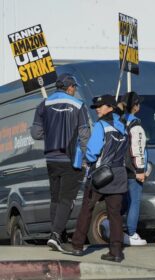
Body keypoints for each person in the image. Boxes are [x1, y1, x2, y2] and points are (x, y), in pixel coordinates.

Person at [61, 94, 128, 262]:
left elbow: (92, 153)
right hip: (119, 175)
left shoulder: (101, 126)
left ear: (110, 107)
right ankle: (116, 251)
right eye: (96, 106)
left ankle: (77, 246)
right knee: (115, 215)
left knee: (87, 210)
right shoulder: (123, 127)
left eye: (101, 106)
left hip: (100, 175)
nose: (98, 108)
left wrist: (86, 160)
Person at [30, 73, 90, 251]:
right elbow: (85, 136)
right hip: (71, 159)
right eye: (75, 87)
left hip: (51, 158)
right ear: (69, 87)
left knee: (55, 198)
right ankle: (56, 235)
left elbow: (36, 134)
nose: (75, 90)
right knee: (67, 199)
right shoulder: (79, 105)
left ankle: (57, 234)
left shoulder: (43, 104)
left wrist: (51, 132)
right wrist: (89, 159)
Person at [121, 91, 147, 246]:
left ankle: (111, 226)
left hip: (120, 168)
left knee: (122, 201)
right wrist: (140, 170)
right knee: (134, 201)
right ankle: (131, 233)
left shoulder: (119, 121)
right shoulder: (135, 125)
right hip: (132, 169)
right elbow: (137, 149)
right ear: (135, 106)